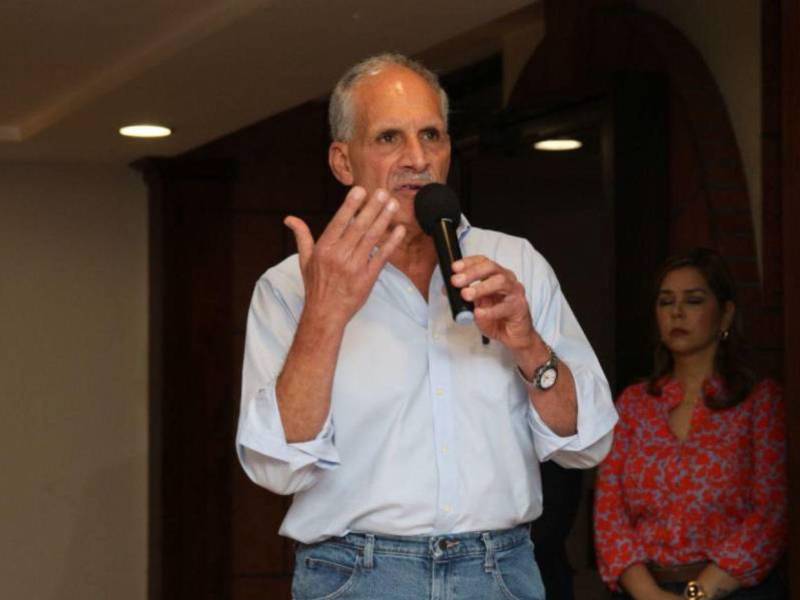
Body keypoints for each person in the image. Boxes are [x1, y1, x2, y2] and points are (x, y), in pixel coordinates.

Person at [236, 53, 618, 600]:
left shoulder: (516, 264)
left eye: (431, 135)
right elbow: (277, 468)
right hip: (356, 577)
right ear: (343, 162)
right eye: (389, 138)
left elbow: (588, 444)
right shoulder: (291, 285)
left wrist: (528, 345)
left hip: (499, 572)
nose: (417, 158)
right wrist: (323, 316)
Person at [593, 248, 788, 600]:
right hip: (643, 592)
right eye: (666, 302)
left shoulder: (758, 401)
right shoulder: (633, 405)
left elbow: (769, 516)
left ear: (725, 315)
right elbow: (609, 516)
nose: (677, 312)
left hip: (732, 589)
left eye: (693, 301)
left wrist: (698, 594)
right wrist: (651, 595)